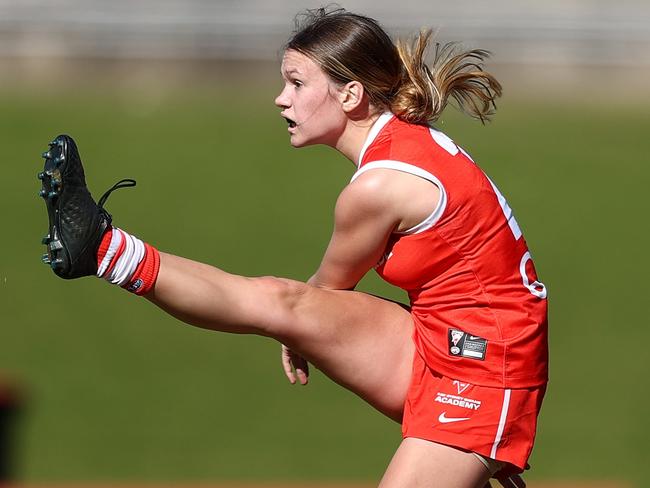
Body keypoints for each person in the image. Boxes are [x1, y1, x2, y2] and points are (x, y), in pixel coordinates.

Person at [37, 7, 547, 488]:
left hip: (489, 365)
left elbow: (326, 290)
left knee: (285, 307)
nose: (282, 99)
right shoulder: (402, 145)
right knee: (282, 304)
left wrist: (302, 332)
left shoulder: (376, 189)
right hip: (440, 335)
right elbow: (309, 303)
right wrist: (300, 327)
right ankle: (103, 249)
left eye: (297, 83)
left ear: (350, 95)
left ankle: (102, 250)